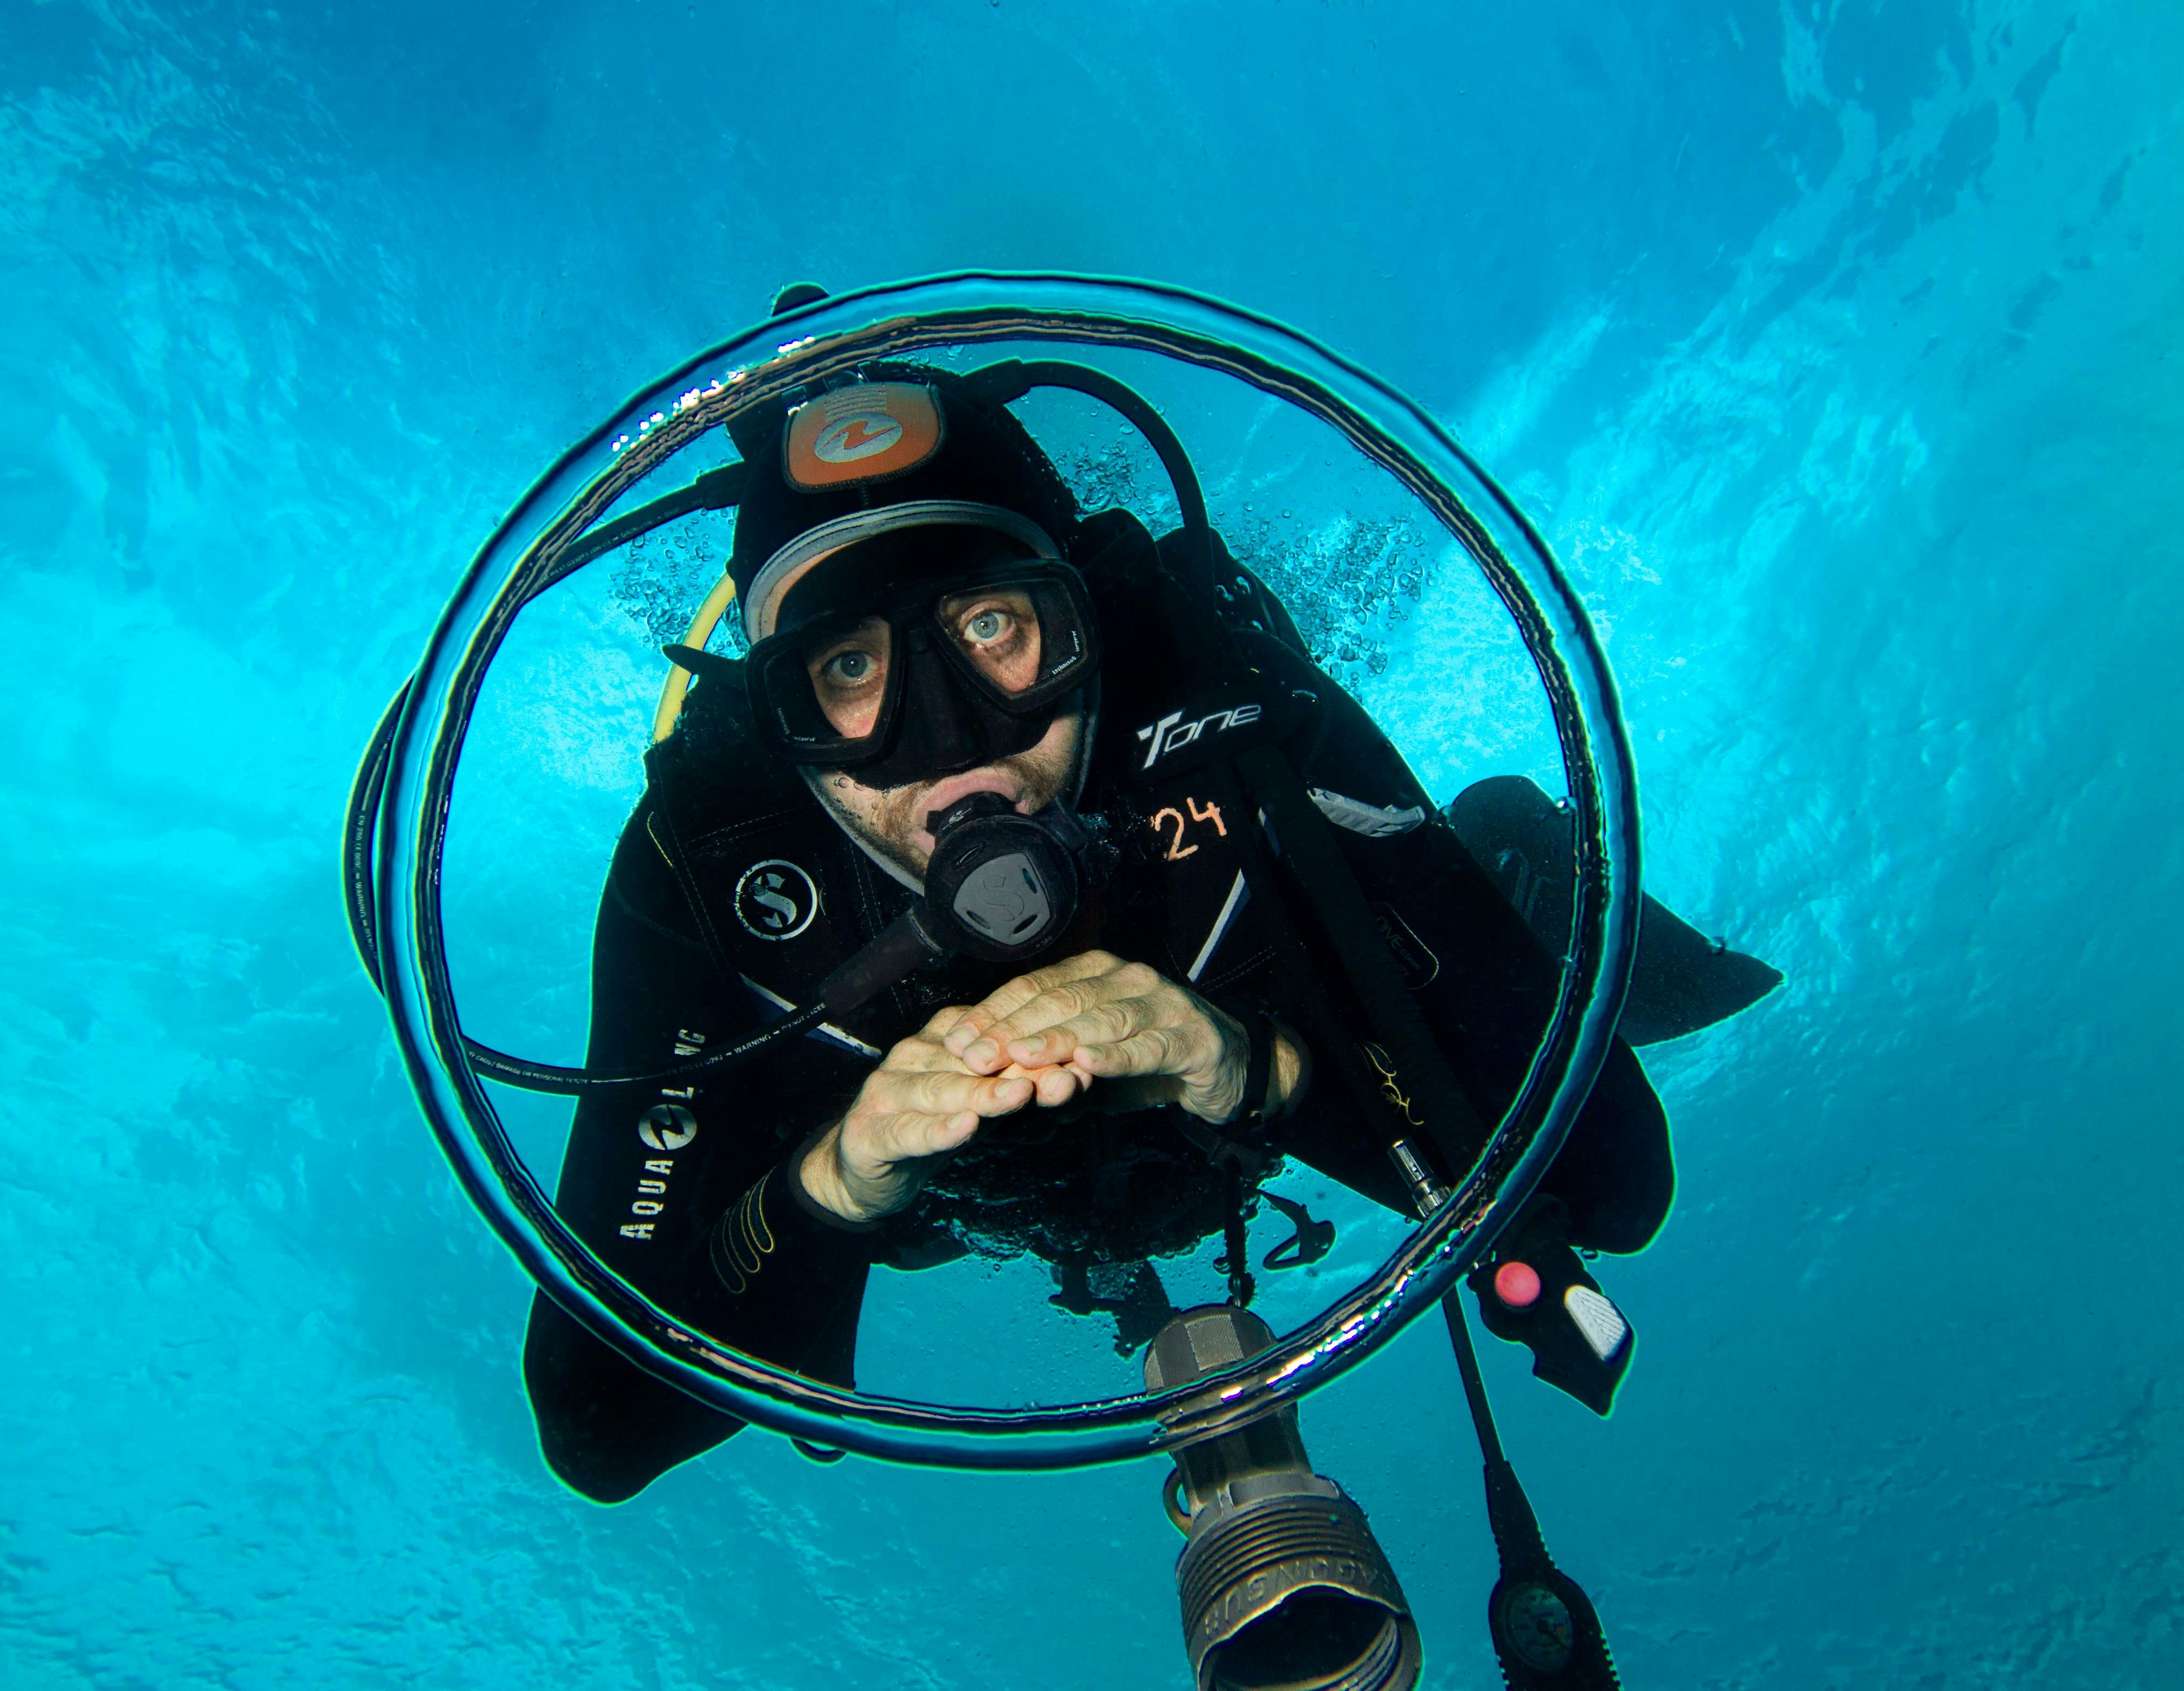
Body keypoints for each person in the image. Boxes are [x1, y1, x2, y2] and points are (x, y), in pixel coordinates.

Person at [521, 356, 1685, 1507]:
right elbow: (601, 1424)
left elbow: (1614, 1181)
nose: (947, 738)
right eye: (846, 667)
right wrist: (830, 1183)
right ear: (779, 718)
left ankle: (1512, 858)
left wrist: (1260, 1070)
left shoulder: (1222, 714)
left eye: (991, 625)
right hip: (948, 1204)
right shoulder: (715, 861)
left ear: (1083, 621)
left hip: (1264, 1075)